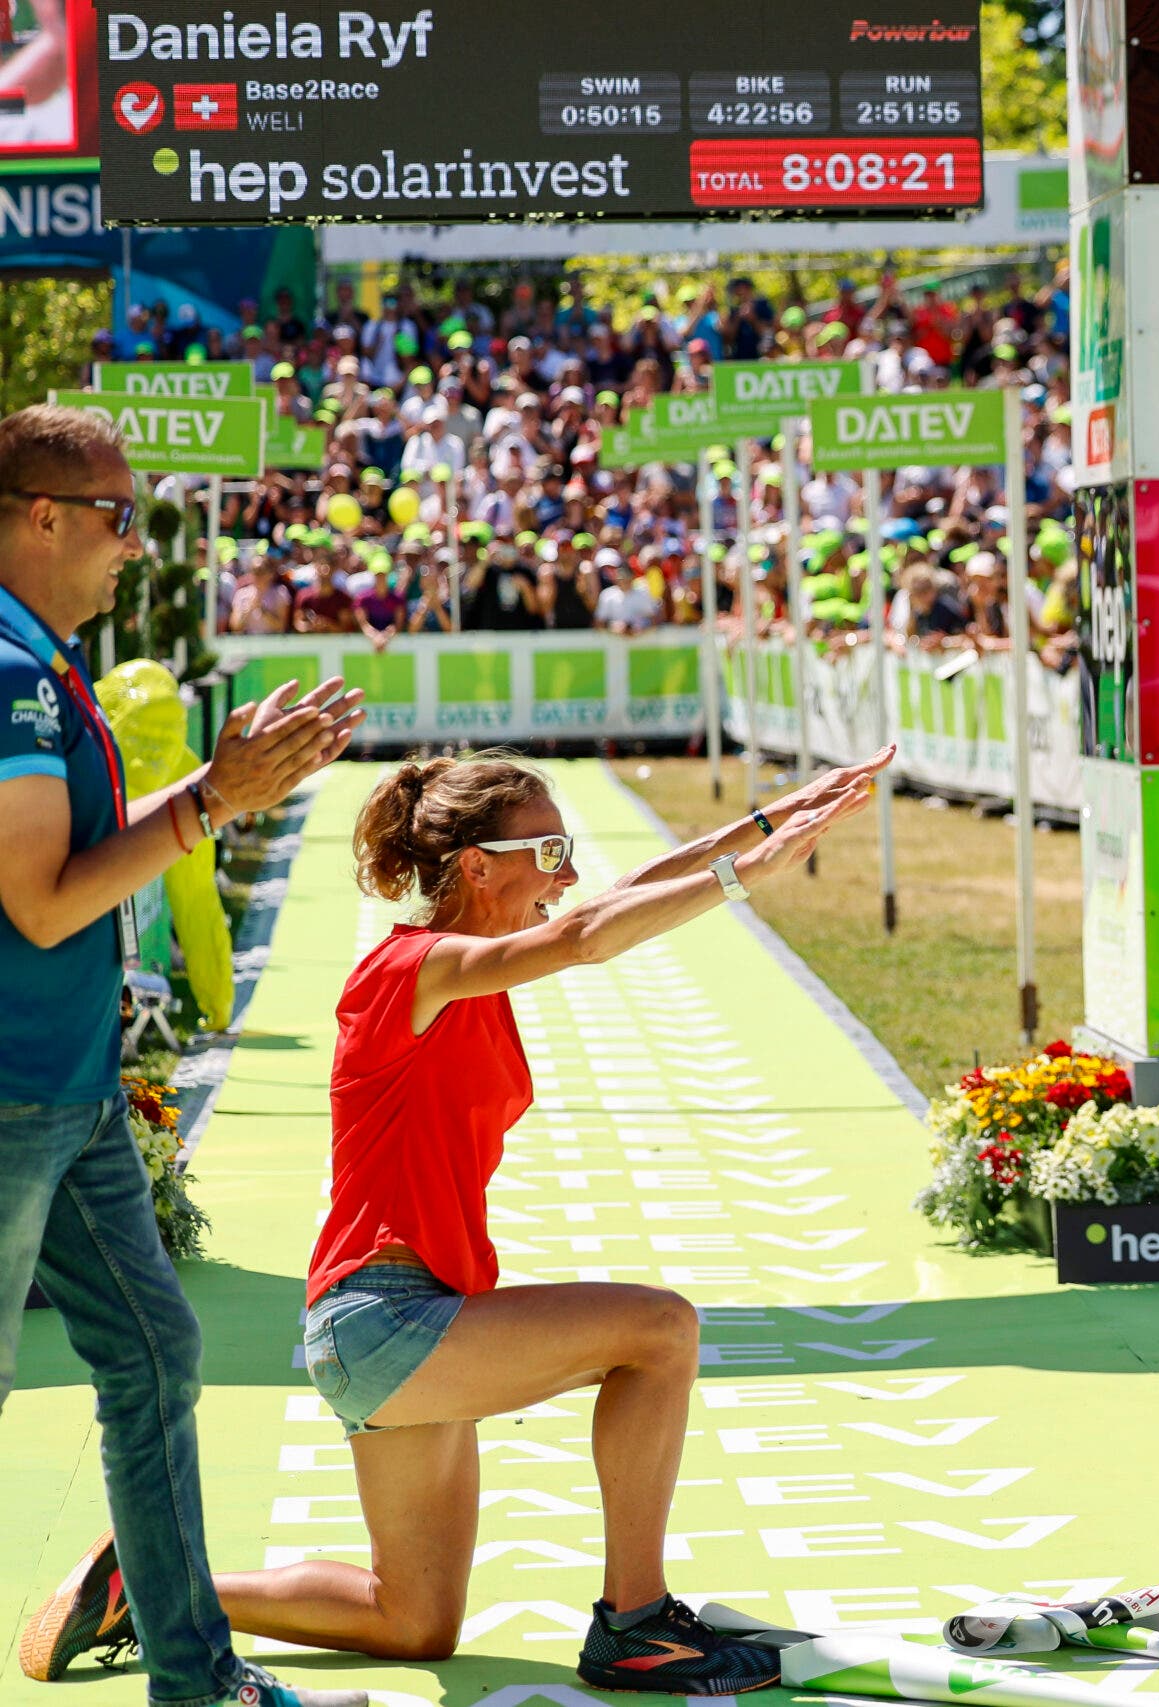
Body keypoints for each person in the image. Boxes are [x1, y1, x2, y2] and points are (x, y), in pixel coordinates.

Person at [39, 746, 893, 1692]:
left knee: (411, 1620)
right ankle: (637, 1623)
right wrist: (743, 877)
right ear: (478, 864)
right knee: (662, 1328)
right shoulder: (416, 965)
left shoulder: (468, 964)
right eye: (550, 850)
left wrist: (768, 822)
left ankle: (149, 1582)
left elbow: (614, 902)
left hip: (386, 1326)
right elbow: (585, 937)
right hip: (387, 1320)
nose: (567, 876)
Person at [0, 404, 368, 1707]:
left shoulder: (42, 659)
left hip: (70, 1086)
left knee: (156, 1355)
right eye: (117, 516)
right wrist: (211, 801)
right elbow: (43, 900)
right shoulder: (6, 668)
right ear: (38, 514)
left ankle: (196, 1678)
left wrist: (227, 783)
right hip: (16, 1093)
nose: (133, 547)